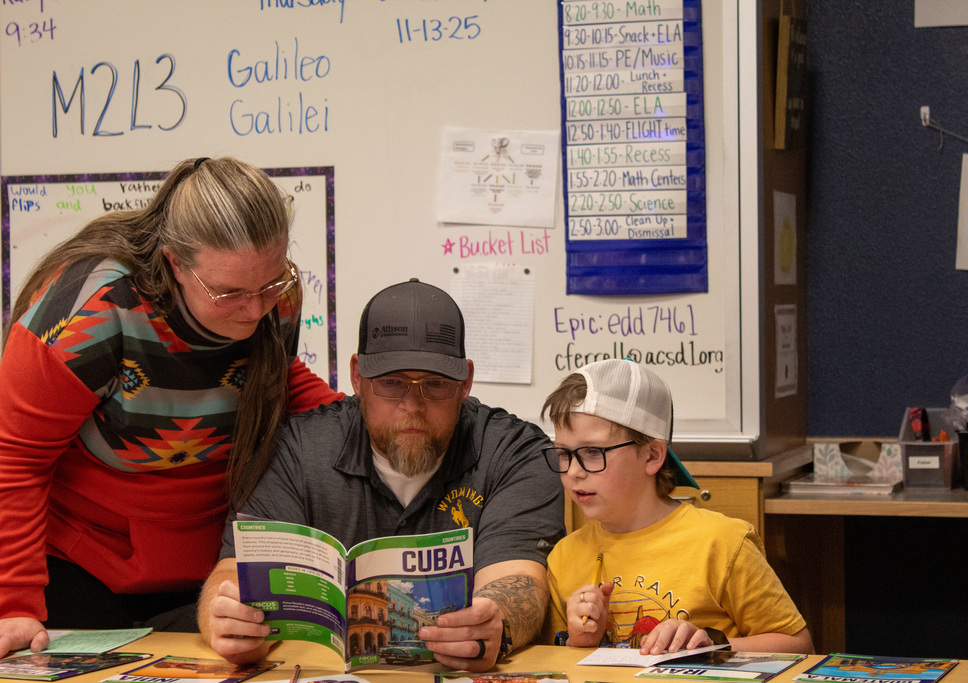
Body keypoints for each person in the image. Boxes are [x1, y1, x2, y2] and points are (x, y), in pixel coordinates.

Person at [0, 156, 343, 657]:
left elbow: (280, 384)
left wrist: (369, 426)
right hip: (82, 568)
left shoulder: (275, 296)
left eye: (269, 284)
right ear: (175, 263)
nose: (255, 310)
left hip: (211, 571)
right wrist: (13, 603)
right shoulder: (88, 311)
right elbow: (16, 458)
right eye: (228, 292)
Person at [198, 278, 565, 672]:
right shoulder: (294, 449)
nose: (412, 405)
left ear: (465, 382)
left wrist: (496, 623)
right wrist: (227, 618)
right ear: (357, 377)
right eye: (391, 383)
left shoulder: (515, 453)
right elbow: (234, 570)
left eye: (436, 384)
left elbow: (520, 580)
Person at [540, 359, 813, 655]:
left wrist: (712, 643)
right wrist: (578, 642)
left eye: (593, 452)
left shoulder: (722, 543)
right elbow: (558, 661)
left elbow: (799, 646)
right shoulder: (564, 559)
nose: (573, 472)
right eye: (564, 454)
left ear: (652, 456)